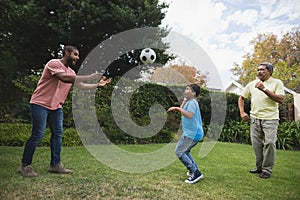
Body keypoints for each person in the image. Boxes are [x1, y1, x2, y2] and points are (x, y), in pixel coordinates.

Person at [19, 45, 111, 177]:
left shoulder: (72, 72)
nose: (77, 58)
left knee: (58, 133)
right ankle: (25, 165)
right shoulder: (54, 63)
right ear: (66, 52)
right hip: (40, 104)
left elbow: (81, 85)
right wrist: (89, 76)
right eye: (75, 54)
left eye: (78, 55)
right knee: (38, 134)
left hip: (56, 107)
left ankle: (55, 165)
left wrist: (97, 85)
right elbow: (64, 78)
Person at [238, 62, 285, 179]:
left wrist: (264, 89)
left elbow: (281, 99)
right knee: (256, 145)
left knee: (269, 143)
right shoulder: (252, 84)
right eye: (258, 69)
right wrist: (242, 112)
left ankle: (267, 170)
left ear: (270, 71)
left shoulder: (277, 83)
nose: (259, 71)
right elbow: (241, 98)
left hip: (271, 119)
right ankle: (259, 168)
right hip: (255, 119)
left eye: (263, 69)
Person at [167, 84, 204, 184]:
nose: (185, 90)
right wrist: (183, 101)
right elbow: (182, 111)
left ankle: (195, 172)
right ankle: (194, 170)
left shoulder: (192, 103)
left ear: (193, 93)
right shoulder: (190, 101)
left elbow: (189, 115)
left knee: (179, 152)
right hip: (193, 133)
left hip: (191, 134)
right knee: (185, 151)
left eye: (188, 89)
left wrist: (176, 108)